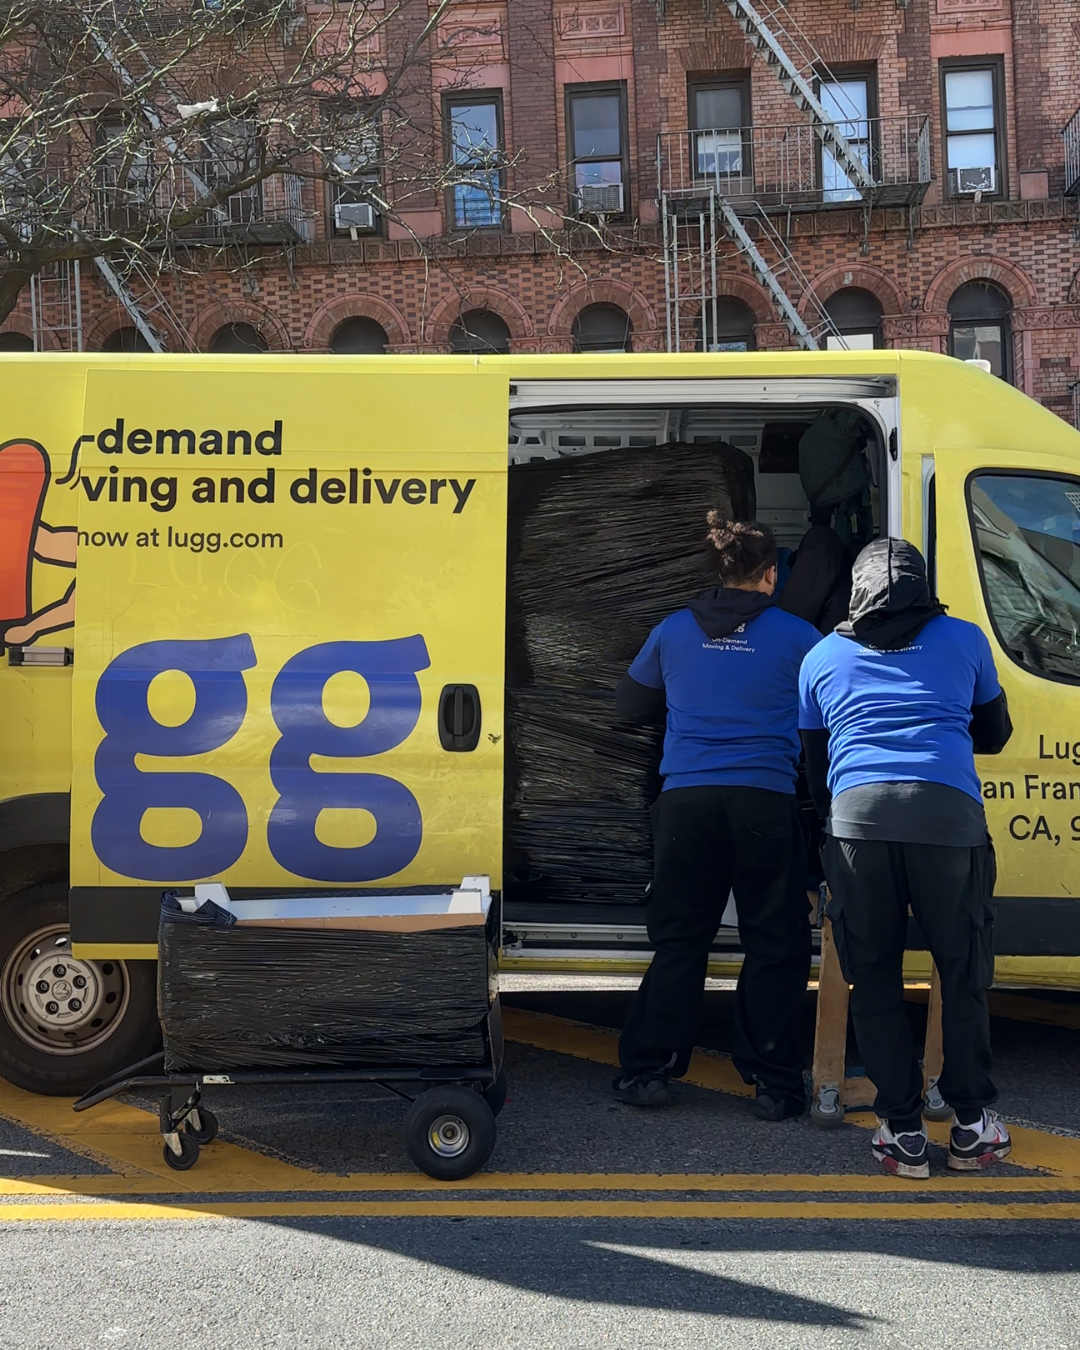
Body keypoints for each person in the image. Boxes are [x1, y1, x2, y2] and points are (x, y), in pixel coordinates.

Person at [799, 537, 1013, 1179]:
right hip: (948, 819)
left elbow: (815, 768)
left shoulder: (821, 655)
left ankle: (901, 1131)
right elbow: (994, 733)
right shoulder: (966, 639)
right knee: (963, 970)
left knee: (874, 978)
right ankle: (972, 1125)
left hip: (858, 822)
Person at [613, 518, 821, 1119]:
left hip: (687, 804)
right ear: (771, 574)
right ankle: (775, 1083)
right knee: (774, 943)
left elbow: (628, 704)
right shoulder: (800, 637)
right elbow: (827, 714)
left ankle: (648, 1072)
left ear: (718, 572)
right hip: (764, 801)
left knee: (680, 941)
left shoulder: (674, 630)